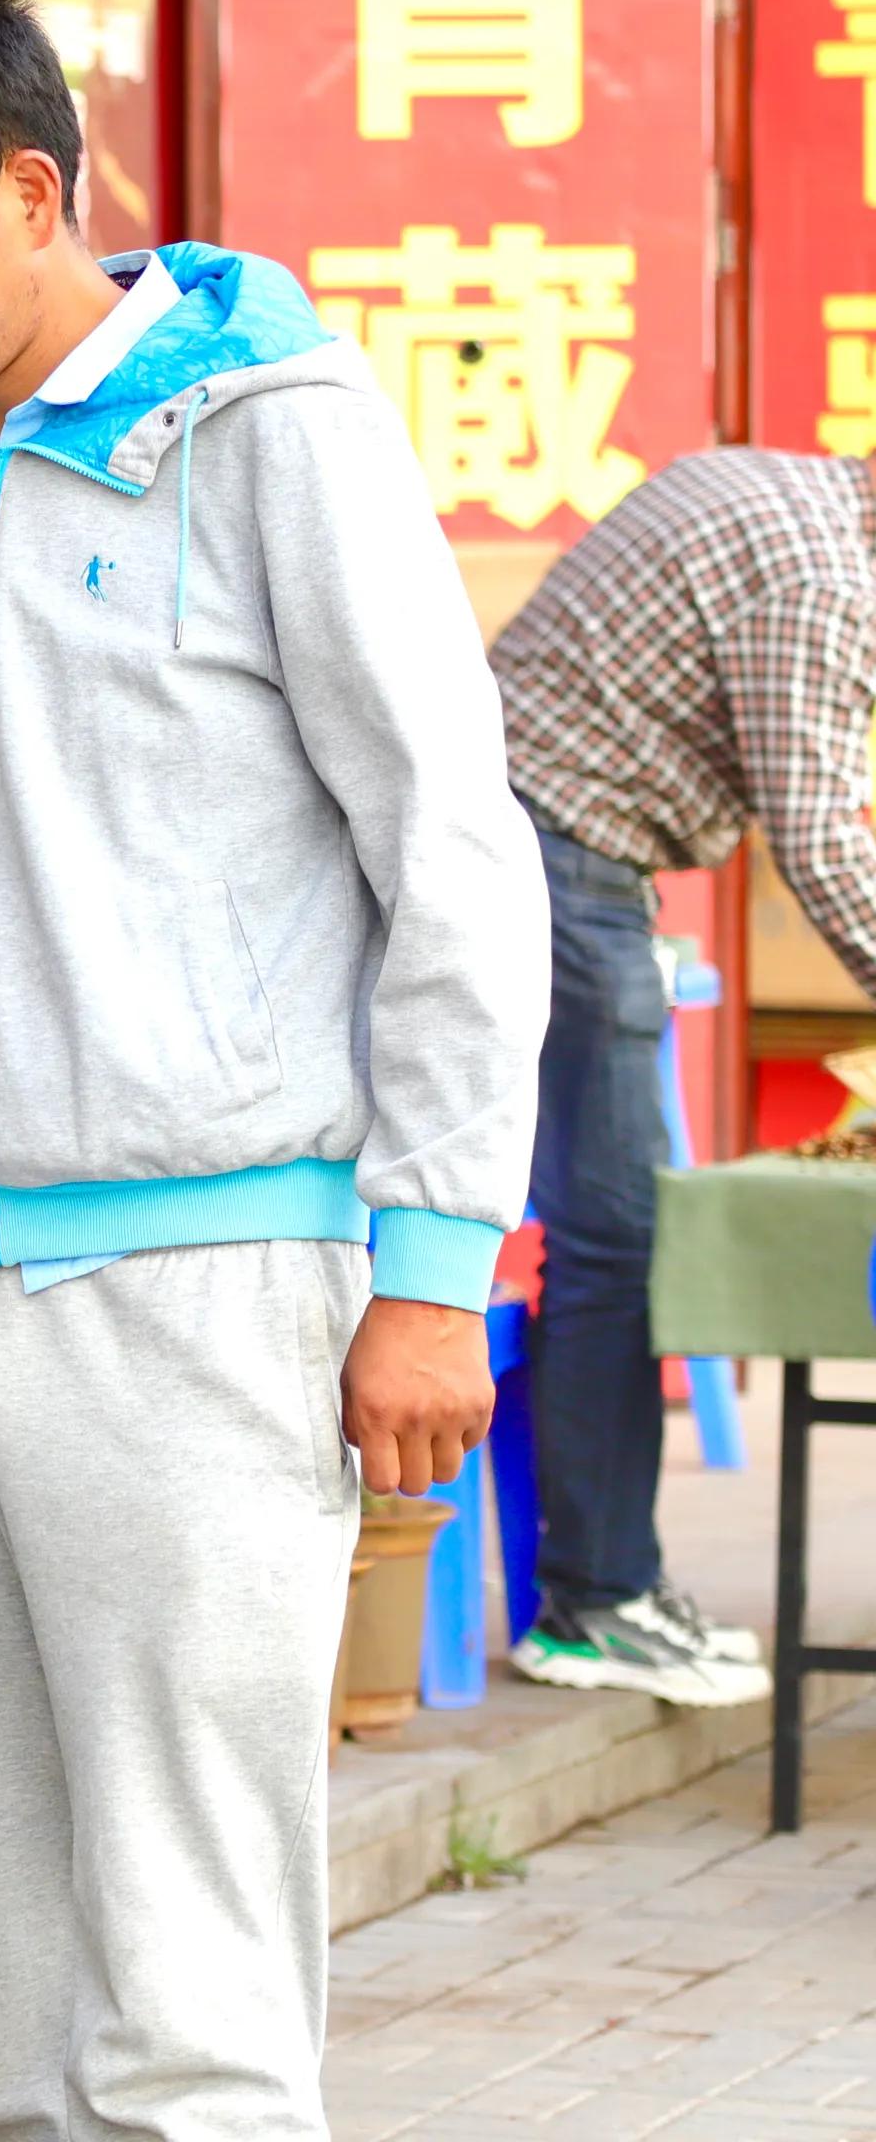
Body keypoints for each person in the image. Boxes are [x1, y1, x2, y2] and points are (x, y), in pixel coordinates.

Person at [0, 0, 548, 2140]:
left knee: (189, 1982)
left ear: (31, 186)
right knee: (10, 1951)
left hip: (197, 1288)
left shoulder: (278, 435)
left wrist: (429, 1265)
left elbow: (452, 856)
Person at [489, 450, 844, 1708]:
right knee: (619, 1237)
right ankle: (593, 1601)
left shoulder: (788, 501)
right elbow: (821, 832)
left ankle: (606, 1582)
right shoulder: (815, 580)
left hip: (546, 847)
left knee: (608, 1230)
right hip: (551, 856)